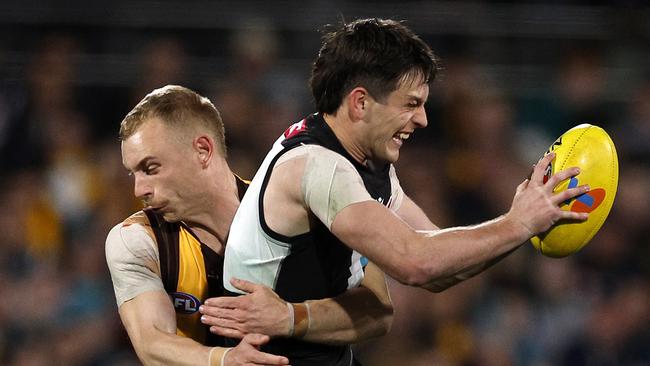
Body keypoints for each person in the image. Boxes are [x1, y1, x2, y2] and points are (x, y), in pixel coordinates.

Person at [219, 18, 590, 365]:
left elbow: (438, 265)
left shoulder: (363, 162)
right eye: (411, 104)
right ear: (360, 102)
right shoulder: (318, 166)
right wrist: (518, 222)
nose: (424, 119)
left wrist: (521, 225)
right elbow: (417, 263)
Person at [105, 85, 394, 366]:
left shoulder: (303, 209)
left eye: (150, 168)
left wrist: (290, 317)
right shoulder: (137, 240)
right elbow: (151, 344)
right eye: (133, 174)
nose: (139, 189)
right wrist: (224, 359)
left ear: (203, 150)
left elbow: (378, 310)